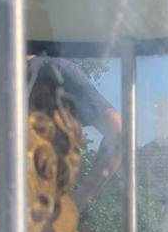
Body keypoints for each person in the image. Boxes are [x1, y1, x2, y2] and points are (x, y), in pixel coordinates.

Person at [28, 55, 122, 208]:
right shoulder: (56, 70)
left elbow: (117, 133)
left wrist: (78, 199)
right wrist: (80, 197)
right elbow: (117, 134)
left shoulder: (55, 71)